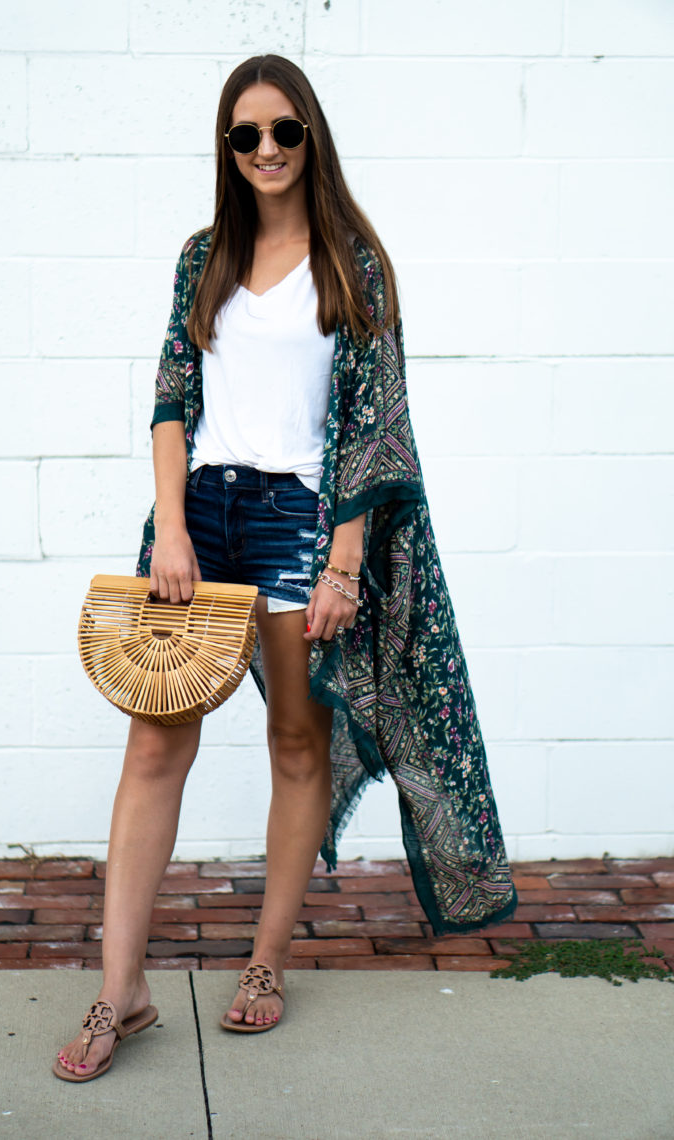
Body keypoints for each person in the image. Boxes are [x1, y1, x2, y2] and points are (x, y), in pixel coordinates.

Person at [54, 53, 517, 1083]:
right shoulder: (201, 256)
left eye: (282, 131)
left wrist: (346, 560)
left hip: (303, 523)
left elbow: (376, 430)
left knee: (298, 741)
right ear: (227, 148)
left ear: (311, 137)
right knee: (152, 748)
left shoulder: (354, 265)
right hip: (202, 516)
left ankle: (265, 965)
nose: (264, 150)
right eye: (244, 135)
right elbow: (172, 402)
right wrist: (168, 527)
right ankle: (119, 991)